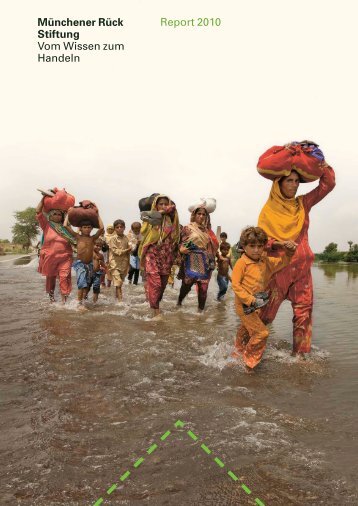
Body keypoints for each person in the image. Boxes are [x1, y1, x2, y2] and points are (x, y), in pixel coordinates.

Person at [258, 164, 336, 357]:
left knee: (304, 316)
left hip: (302, 270)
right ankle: (246, 350)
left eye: (297, 181)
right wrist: (279, 245)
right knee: (264, 316)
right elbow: (260, 242)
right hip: (278, 270)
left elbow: (328, 184)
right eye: (289, 181)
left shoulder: (303, 203)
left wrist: (321, 163)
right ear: (279, 184)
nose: (294, 185)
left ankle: (299, 360)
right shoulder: (269, 210)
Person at [231, 226, 296, 371]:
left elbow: (282, 262)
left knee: (247, 330)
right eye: (252, 246)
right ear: (244, 246)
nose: (256, 250)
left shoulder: (265, 261)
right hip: (245, 305)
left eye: (260, 246)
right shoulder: (241, 263)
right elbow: (235, 285)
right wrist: (250, 300)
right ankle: (249, 363)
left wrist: (289, 252)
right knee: (262, 333)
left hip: (257, 304)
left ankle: (237, 353)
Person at [138, 195, 180, 319]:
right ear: (155, 205)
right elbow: (143, 222)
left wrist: (165, 211)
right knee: (155, 283)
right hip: (152, 252)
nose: (163, 206)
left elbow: (173, 210)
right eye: (160, 204)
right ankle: (156, 312)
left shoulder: (172, 218)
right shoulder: (151, 217)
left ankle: (154, 304)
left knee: (162, 285)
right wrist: (157, 213)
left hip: (166, 254)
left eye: (165, 204)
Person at [177, 206, 219, 312]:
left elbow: (213, 246)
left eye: (203, 214)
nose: (201, 216)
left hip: (205, 260)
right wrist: (181, 249)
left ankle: (200, 312)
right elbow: (180, 243)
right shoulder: (188, 228)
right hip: (191, 258)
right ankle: (179, 302)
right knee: (187, 285)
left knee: (203, 288)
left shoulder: (207, 231)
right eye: (199, 214)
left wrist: (212, 259)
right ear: (194, 215)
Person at [36, 196, 76, 303]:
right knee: (51, 279)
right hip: (50, 257)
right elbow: (38, 211)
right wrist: (43, 197)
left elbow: (75, 239)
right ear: (50, 216)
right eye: (55, 214)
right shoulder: (46, 225)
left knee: (64, 277)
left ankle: (64, 301)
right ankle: (51, 299)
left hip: (65, 257)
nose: (58, 216)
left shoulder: (66, 228)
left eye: (59, 214)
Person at [64, 212, 104, 309]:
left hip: (89, 265)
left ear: (91, 228)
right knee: (82, 283)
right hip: (80, 264)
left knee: (86, 285)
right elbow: (65, 226)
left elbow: (101, 228)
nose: (87, 229)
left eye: (89, 227)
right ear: (80, 228)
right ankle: (79, 303)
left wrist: (97, 214)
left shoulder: (93, 238)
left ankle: (82, 301)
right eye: (84, 227)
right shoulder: (78, 237)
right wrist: (68, 214)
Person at [107, 219, 131, 302]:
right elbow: (116, 251)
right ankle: (120, 302)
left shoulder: (126, 238)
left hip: (124, 264)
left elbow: (129, 252)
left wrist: (129, 263)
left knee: (119, 284)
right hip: (114, 263)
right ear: (114, 229)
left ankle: (117, 299)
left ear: (124, 228)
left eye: (121, 227)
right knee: (118, 283)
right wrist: (127, 250)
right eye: (117, 227)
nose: (119, 228)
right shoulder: (112, 239)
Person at [92, 238, 106, 303]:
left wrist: (103, 267)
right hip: (89, 273)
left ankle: (95, 302)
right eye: (97, 245)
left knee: (96, 288)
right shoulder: (90, 253)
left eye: (100, 246)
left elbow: (103, 265)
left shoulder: (101, 255)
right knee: (86, 287)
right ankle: (84, 300)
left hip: (97, 274)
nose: (98, 247)